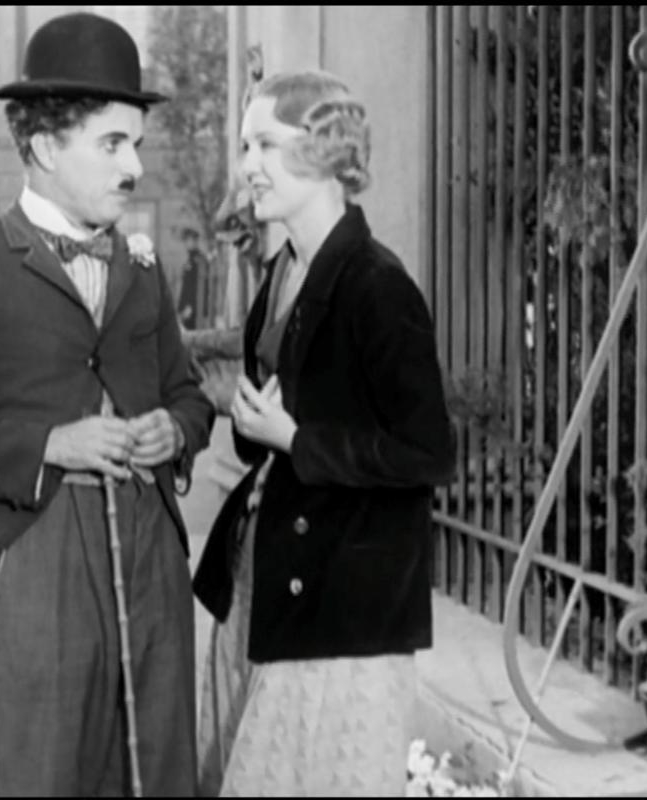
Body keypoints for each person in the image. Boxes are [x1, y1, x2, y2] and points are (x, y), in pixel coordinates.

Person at [0, 12, 214, 797]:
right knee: (42, 774)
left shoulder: (142, 267)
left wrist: (172, 428)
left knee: (159, 773)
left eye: (136, 143)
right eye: (113, 143)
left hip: (151, 562)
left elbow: (191, 397)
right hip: (36, 561)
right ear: (42, 147)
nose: (134, 166)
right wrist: (50, 445)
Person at [191, 70, 458, 797]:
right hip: (268, 581)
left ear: (325, 151)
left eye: (266, 144)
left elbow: (428, 452)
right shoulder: (282, 272)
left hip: (344, 612)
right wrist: (251, 424)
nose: (248, 164)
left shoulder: (378, 286)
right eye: (246, 144)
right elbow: (271, 431)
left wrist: (292, 436)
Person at [177, 228, 209, 330]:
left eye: (189, 240)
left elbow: (198, 287)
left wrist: (190, 306)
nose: (187, 244)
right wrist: (181, 307)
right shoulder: (189, 261)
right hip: (187, 309)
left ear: (195, 241)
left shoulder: (199, 261)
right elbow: (185, 287)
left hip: (194, 309)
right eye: (186, 241)